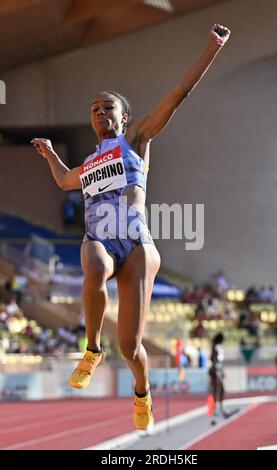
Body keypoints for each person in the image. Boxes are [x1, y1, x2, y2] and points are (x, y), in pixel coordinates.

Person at [31, 24, 231, 431]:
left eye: (108, 108)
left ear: (124, 117)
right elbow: (65, 179)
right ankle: (90, 350)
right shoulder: (88, 164)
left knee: (131, 346)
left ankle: (142, 393)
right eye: (94, 109)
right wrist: (51, 155)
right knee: (94, 263)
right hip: (100, 238)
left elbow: (178, 95)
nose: (101, 113)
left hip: (137, 244)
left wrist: (212, 47)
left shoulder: (137, 137)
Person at [209, 332, 227, 417]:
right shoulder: (215, 347)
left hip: (219, 369)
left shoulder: (220, 347)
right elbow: (213, 359)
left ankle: (221, 406)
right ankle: (215, 407)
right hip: (216, 370)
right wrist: (216, 370)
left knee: (222, 389)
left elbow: (221, 361)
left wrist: (222, 371)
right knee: (216, 389)